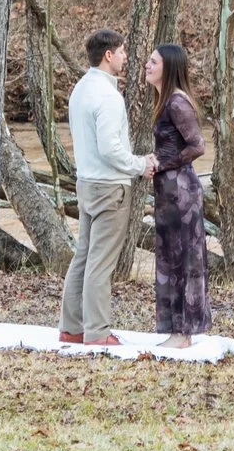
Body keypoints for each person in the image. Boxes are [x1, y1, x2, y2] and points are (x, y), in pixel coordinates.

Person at [59, 28, 154, 346]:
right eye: (122, 51)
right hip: (110, 189)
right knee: (100, 262)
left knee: (83, 257)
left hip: (86, 184)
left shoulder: (80, 90)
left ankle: (71, 328)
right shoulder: (108, 97)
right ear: (108, 55)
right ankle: (97, 332)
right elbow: (111, 150)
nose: (126, 57)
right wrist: (141, 165)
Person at [145, 43, 211, 350]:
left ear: (168, 68)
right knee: (170, 256)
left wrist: (163, 163)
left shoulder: (176, 102)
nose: (147, 65)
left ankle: (184, 332)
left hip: (181, 191)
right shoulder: (165, 100)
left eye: (153, 62)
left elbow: (198, 145)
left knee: (184, 257)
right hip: (169, 190)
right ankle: (176, 330)